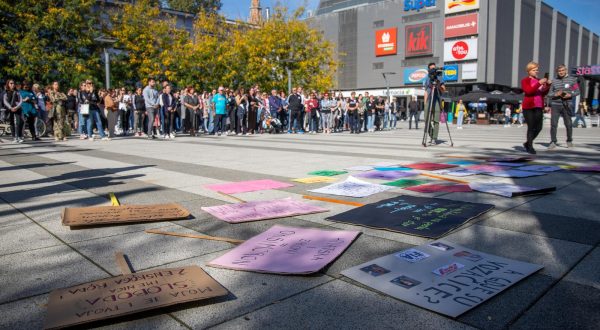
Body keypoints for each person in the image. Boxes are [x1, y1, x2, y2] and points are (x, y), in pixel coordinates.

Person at [521, 61, 551, 154]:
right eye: (534, 70)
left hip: (538, 106)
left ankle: (527, 143)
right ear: (529, 71)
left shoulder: (538, 80)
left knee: (539, 127)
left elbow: (543, 93)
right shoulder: (525, 80)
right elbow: (529, 91)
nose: (536, 72)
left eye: (537, 70)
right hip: (528, 107)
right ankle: (530, 147)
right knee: (531, 127)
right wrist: (539, 83)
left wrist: (548, 85)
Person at [547, 64, 578, 149]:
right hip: (555, 105)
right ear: (557, 72)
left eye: (562, 70)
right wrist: (556, 94)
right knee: (553, 124)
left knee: (568, 124)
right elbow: (549, 94)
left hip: (567, 104)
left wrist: (569, 94)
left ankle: (569, 140)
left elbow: (577, 91)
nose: (561, 72)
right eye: (559, 71)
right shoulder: (554, 81)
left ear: (566, 70)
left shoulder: (573, 80)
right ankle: (553, 142)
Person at [423, 62, 446, 144]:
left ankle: (434, 138)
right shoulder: (427, 78)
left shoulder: (439, 77)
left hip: (436, 100)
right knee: (426, 119)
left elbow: (443, 89)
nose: (433, 69)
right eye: (432, 68)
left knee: (436, 120)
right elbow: (426, 92)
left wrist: (439, 84)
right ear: (428, 70)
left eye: (434, 68)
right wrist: (425, 103)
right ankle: (432, 134)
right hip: (429, 100)